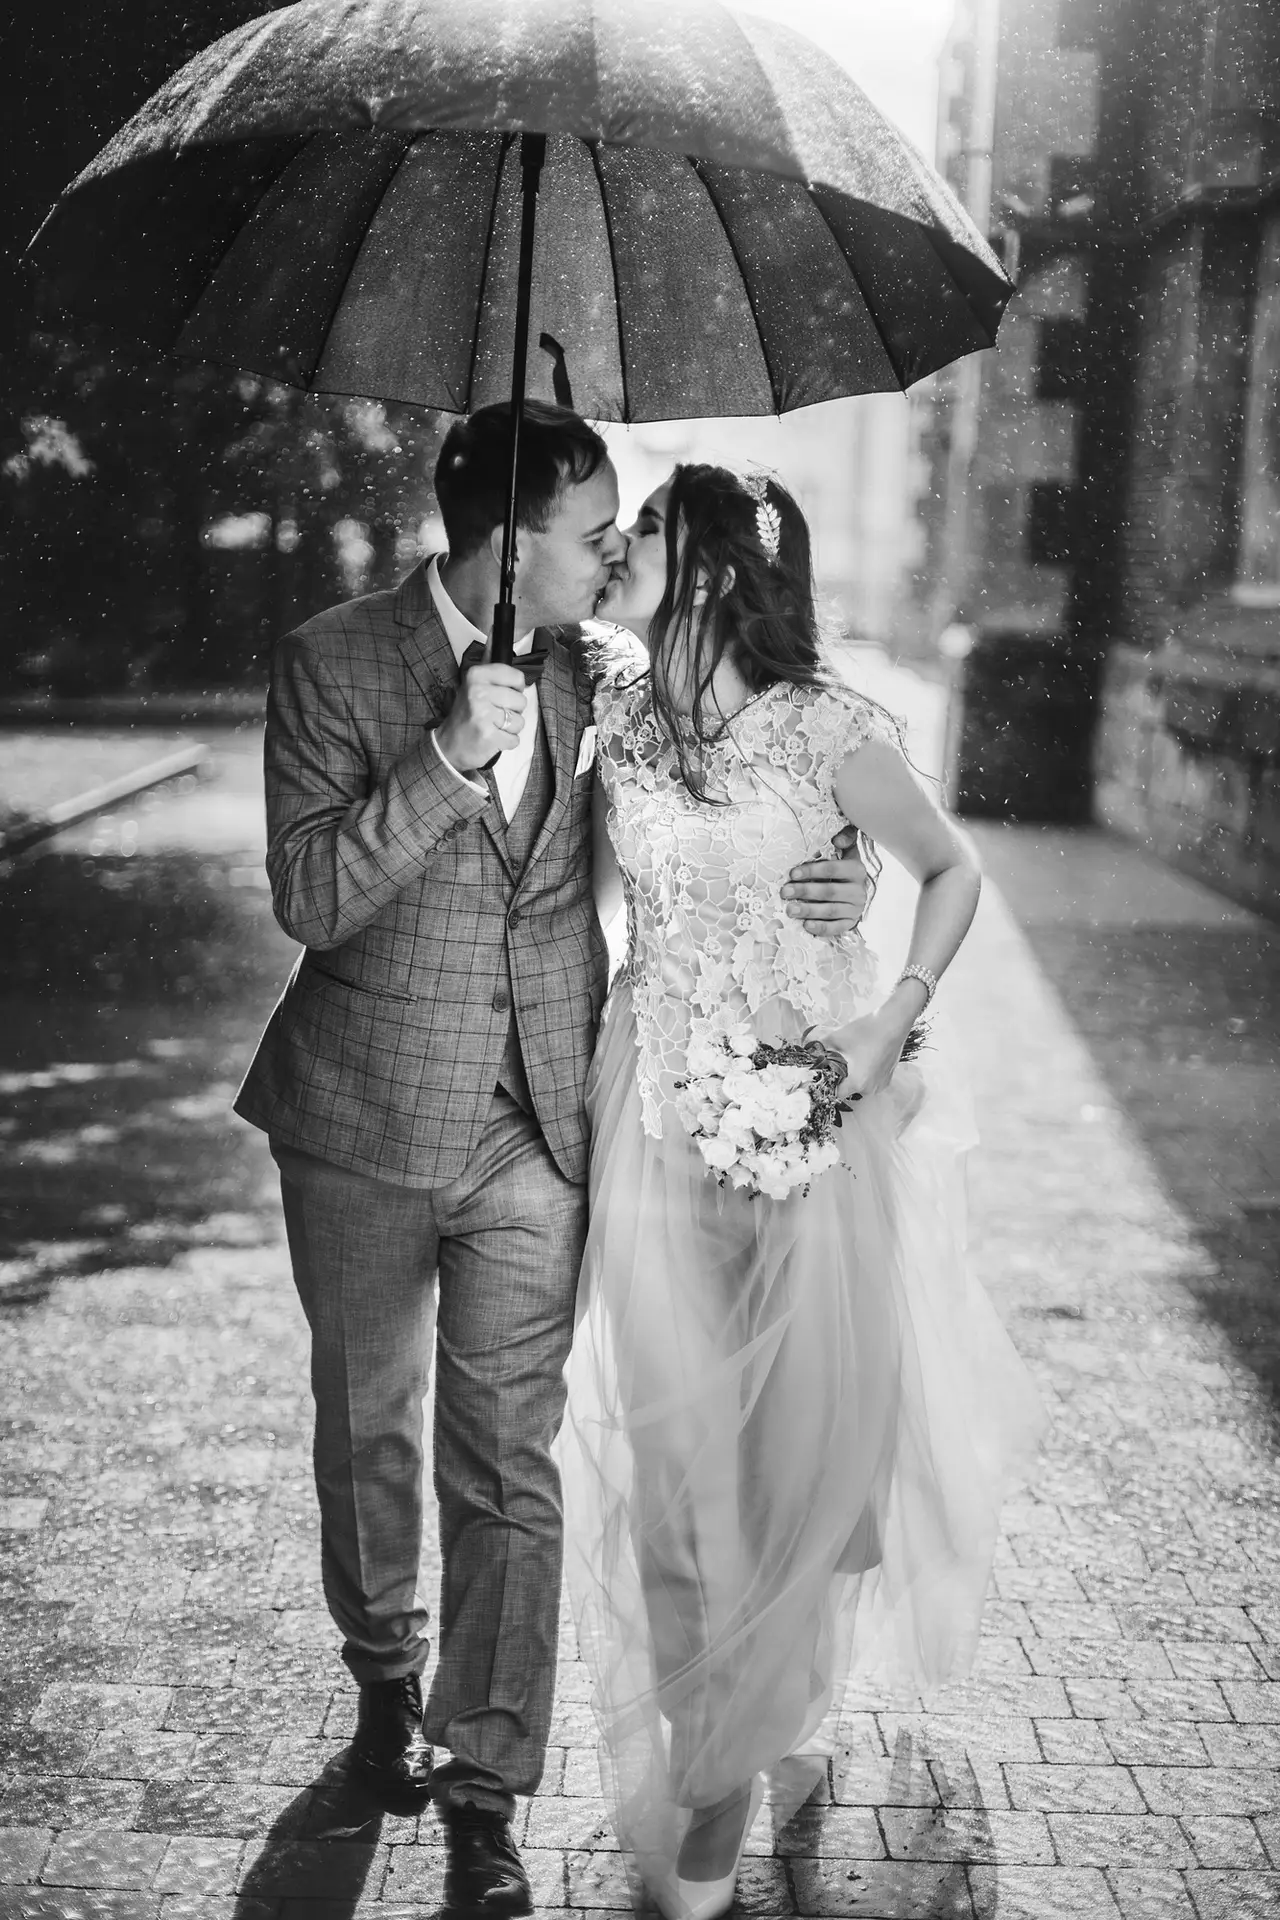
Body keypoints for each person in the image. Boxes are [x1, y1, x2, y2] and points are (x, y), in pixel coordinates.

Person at [233, 404, 873, 1918]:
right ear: (512, 542)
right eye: (595, 532)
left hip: (542, 1127)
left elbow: (745, 779)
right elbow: (311, 898)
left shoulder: (609, 678)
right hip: (364, 1118)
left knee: (508, 1458)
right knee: (371, 1423)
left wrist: (829, 869)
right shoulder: (332, 660)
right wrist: (452, 755)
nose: (614, 552)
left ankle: (483, 1775)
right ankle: (384, 1676)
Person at [557, 464, 1044, 1920]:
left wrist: (887, 1007)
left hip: (802, 1135)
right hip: (647, 1119)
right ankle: (711, 1778)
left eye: (644, 529)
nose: (620, 544)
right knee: (675, 1462)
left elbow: (950, 873)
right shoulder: (614, 718)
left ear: (709, 568)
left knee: (789, 1465)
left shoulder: (834, 731)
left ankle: (763, 1721)